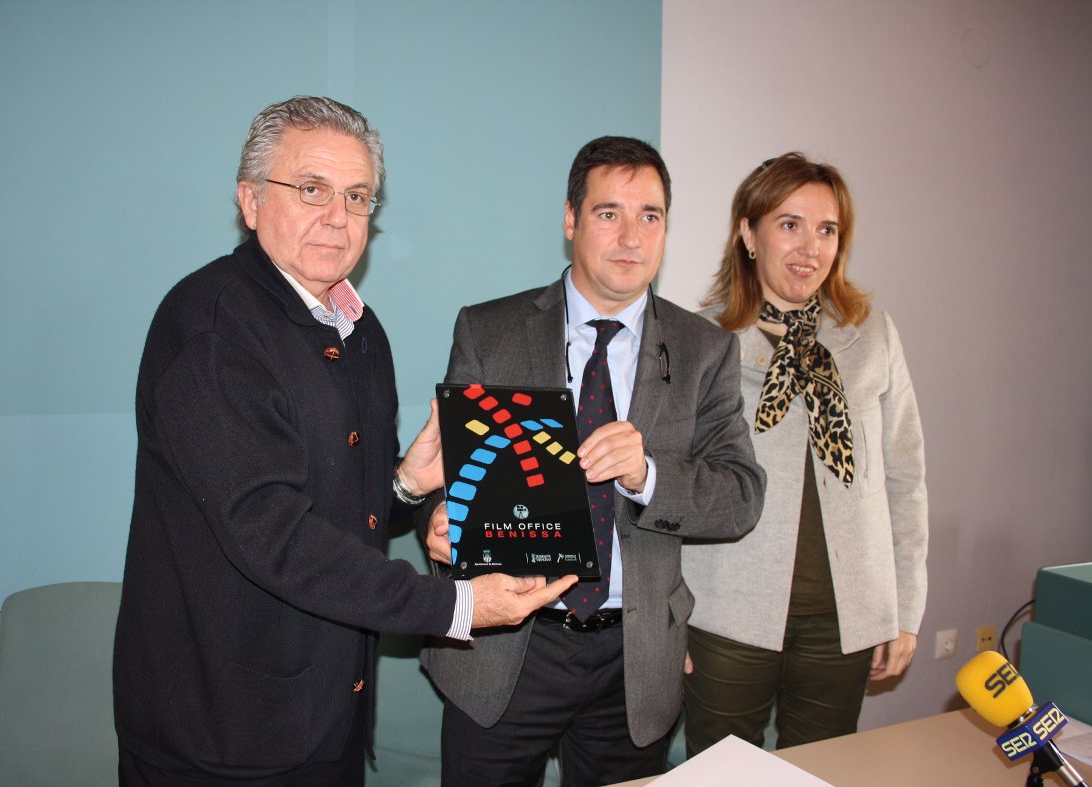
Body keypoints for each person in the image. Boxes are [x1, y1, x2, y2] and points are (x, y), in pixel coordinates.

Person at [112, 95, 576, 786]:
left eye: (357, 196)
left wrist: (405, 484)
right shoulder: (212, 327)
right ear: (250, 200)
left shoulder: (360, 329)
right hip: (220, 733)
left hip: (330, 715)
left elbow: (335, 509)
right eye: (311, 189)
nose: (338, 215)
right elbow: (272, 532)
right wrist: (457, 605)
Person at [420, 136, 766, 787]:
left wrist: (648, 474)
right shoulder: (489, 331)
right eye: (609, 213)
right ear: (570, 220)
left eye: (650, 216)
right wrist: (440, 524)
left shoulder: (704, 349)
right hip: (506, 644)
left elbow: (741, 495)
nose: (631, 237)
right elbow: (448, 476)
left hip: (631, 660)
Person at [680, 152, 929, 756]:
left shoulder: (872, 334)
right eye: (790, 224)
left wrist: (905, 609)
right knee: (723, 772)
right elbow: (669, 486)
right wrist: (665, 613)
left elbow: (905, 478)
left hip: (844, 617)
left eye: (827, 230)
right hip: (727, 611)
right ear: (749, 233)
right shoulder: (699, 339)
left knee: (823, 769)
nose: (810, 248)